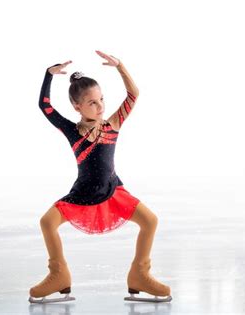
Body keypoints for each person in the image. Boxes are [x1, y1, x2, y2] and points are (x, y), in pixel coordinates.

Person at [28, 50, 171, 303]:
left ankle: (139, 274)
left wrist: (120, 66)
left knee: (150, 221)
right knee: (47, 222)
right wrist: (48, 75)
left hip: (114, 191)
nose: (101, 106)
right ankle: (59, 275)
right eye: (93, 102)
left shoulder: (113, 124)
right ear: (77, 106)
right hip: (82, 194)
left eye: (102, 99)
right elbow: (45, 106)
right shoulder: (72, 131)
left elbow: (133, 94)